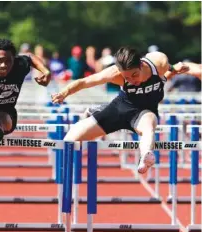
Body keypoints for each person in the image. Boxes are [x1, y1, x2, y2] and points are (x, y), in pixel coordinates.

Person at [51, 47, 188, 174]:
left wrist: (174, 68)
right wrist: (65, 92)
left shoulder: (158, 63)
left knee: (149, 124)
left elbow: (169, 67)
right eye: (126, 77)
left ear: (141, 65)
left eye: (134, 75)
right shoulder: (114, 73)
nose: (131, 80)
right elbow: (85, 82)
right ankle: (65, 175)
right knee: (70, 137)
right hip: (119, 109)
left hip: (144, 112)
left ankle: (146, 156)